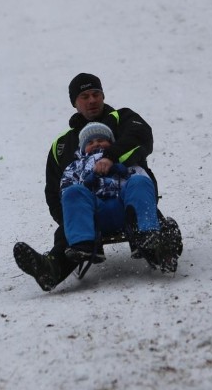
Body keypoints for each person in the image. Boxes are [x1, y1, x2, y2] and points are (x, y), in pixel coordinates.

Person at [13, 73, 181, 292]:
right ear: (74, 102)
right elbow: (55, 190)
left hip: (130, 204)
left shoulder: (123, 119)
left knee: (148, 217)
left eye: (95, 94)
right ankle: (49, 269)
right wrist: (71, 220)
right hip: (89, 212)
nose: (91, 100)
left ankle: (163, 252)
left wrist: (110, 156)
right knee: (66, 233)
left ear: (102, 96)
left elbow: (141, 139)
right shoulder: (63, 145)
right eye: (84, 96)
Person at [60, 121, 158, 264]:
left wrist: (124, 173)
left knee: (139, 181)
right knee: (73, 192)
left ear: (111, 143)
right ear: (82, 148)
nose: (96, 144)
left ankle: (146, 233)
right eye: (90, 142)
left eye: (101, 140)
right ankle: (84, 243)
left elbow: (144, 183)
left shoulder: (123, 160)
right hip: (95, 215)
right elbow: (66, 192)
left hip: (126, 211)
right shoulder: (75, 167)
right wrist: (86, 183)